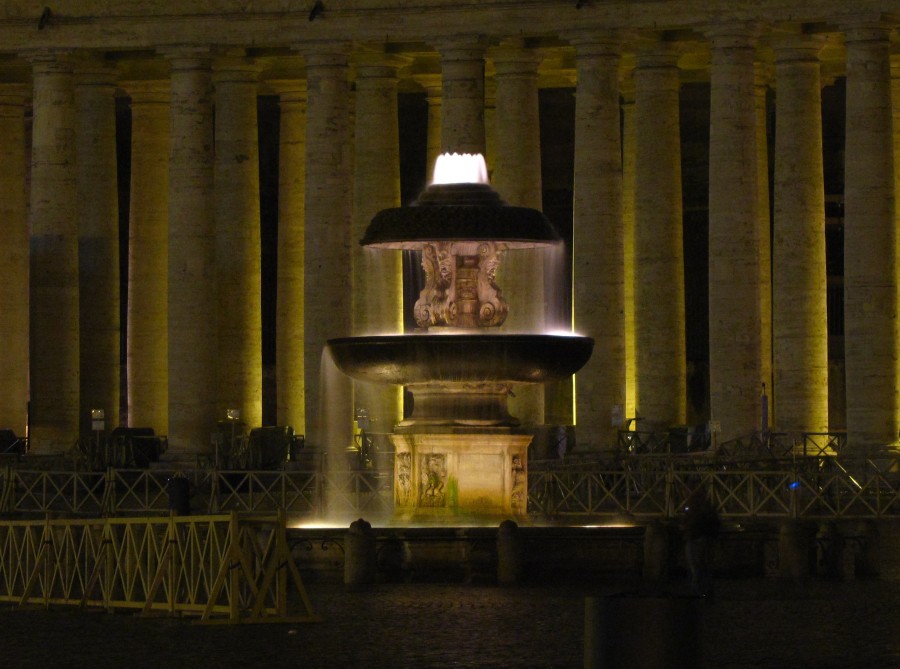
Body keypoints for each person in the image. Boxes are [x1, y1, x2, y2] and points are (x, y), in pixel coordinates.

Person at [681, 488, 721, 596]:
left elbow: (689, 523)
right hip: (701, 539)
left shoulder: (696, 510)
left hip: (696, 539)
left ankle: (697, 590)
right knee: (701, 567)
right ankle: (702, 590)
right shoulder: (708, 509)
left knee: (696, 567)